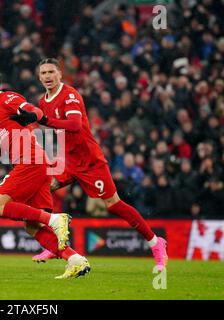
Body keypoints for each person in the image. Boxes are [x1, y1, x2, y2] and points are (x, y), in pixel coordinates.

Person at [11, 58, 168, 271]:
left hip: (89, 161)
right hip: (67, 159)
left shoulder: (70, 95)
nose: (47, 76)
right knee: (43, 191)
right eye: (43, 73)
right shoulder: (43, 101)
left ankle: (155, 242)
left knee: (114, 205)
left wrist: (44, 121)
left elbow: (74, 125)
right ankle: (56, 244)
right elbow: (49, 127)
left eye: (51, 72)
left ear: (60, 74)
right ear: (39, 77)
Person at [0, 65, 90, 279]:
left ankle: (54, 219)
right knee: (32, 226)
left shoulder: (6, 98)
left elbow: (35, 111)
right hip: (36, 164)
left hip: (30, 162)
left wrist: (30, 116)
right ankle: (75, 260)